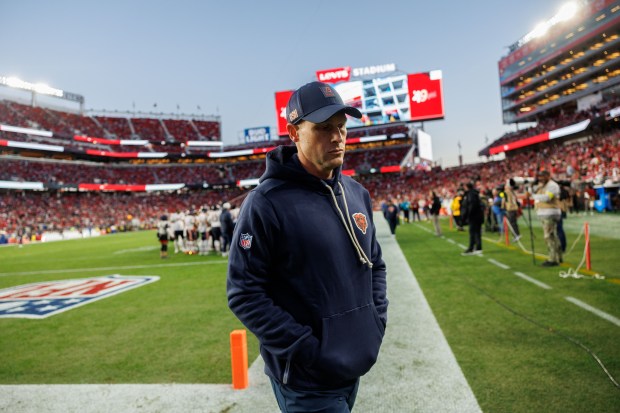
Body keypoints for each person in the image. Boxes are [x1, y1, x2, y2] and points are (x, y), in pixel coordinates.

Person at [227, 81, 388, 413]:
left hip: (352, 365)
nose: (337, 136)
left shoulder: (357, 193)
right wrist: (306, 350)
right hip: (307, 381)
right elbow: (244, 292)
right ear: (294, 133)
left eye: (341, 127)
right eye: (324, 128)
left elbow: (375, 265)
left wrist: (375, 322)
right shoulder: (265, 204)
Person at [527, 170, 562, 266]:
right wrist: (531, 186)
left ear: (548, 176)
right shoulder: (542, 185)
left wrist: (533, 196)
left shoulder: (552, 185)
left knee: (548, 236)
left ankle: (552, 259)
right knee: (552, 236)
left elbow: (547, 198)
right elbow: (532, 191)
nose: (540, 178)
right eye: (539, 177)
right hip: (544, 213)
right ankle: (558, 257)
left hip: (550, 212)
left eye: (543, 176)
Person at [461, 181, 484, 255]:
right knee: (477, 232)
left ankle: (472, 248)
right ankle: (478, 247)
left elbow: (471, 206)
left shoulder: (470, 194)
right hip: (477, 216)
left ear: (467, 187)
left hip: (474, 217)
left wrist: (467, 215)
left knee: (473, 232)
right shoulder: (474, 193)